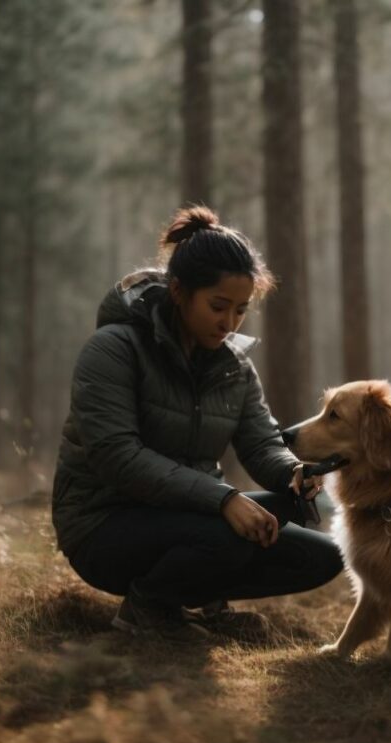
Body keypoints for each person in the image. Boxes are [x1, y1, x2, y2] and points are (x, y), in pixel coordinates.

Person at [51, 206, 343, 642]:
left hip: (193, 514)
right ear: (178, 292)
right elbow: (118, 457)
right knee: (229, 534)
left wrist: (292, 473)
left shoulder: (235, 368)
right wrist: (224, 500)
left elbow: (262, 443)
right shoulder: (113, 349)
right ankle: (148, 607)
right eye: (217, 306)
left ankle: (203, 600)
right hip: (103, 525)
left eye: (241, 311)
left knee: (324, 551)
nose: (229, 324)